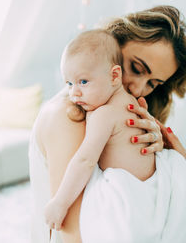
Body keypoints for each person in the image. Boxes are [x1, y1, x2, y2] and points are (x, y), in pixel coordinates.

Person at [29, 5, 186, 243]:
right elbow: (71, 234)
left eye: (153, 83)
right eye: (135, 68)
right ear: (113, 42)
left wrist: (163, 157)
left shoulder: (121, 111)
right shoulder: (67, 115)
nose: (137, 88)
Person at [44, 29, 156, 231]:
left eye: (83, 82)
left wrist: (60, 202)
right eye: (69, 83)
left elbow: (85, 161)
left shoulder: (104, 114)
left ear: (114, 76)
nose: (74, 93)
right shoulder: (130, 102)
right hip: (152, 191)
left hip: (128, 198)